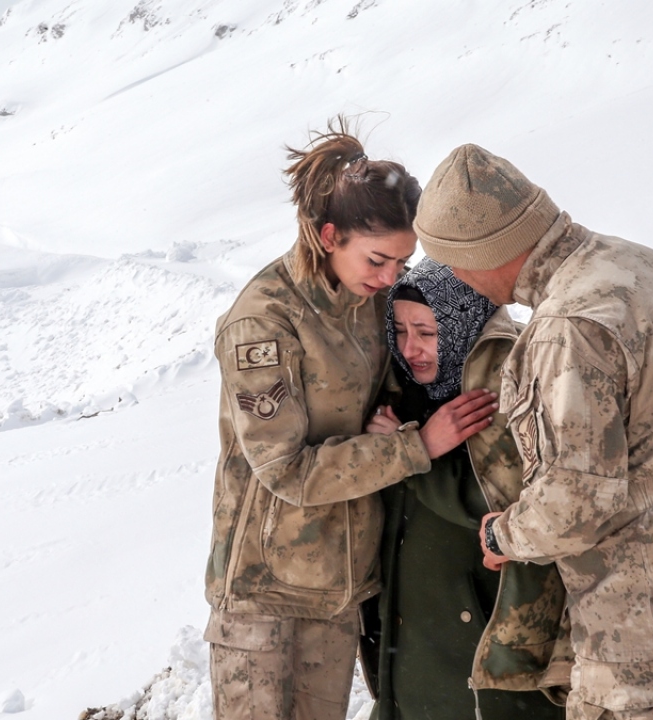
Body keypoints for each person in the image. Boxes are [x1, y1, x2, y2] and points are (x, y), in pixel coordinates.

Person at [412, 143, 653, 720]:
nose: (455, 278)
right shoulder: (642, 264)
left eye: (452, 262)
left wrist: (502, 535)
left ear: (486, 251)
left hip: (652, 637)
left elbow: (575, 503)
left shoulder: (567, 329)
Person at [203, 121, 500, 720]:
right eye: (378, 259)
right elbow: (285, 470)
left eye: (402, 261)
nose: (390, 277)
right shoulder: (264, 322)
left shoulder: (373, 301)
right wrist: (416, 447)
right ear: (329, 235)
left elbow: (408, 378)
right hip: (264, 591)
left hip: (340, 588)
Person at [358, 258, 569, 720]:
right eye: (400, 330)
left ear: (462, 324)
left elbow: (506, 503)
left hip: (485, 630)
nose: (410, 347)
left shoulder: (506, 383)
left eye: (426, 332)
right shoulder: (400, 392)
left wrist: (412, 456)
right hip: (411, 630)